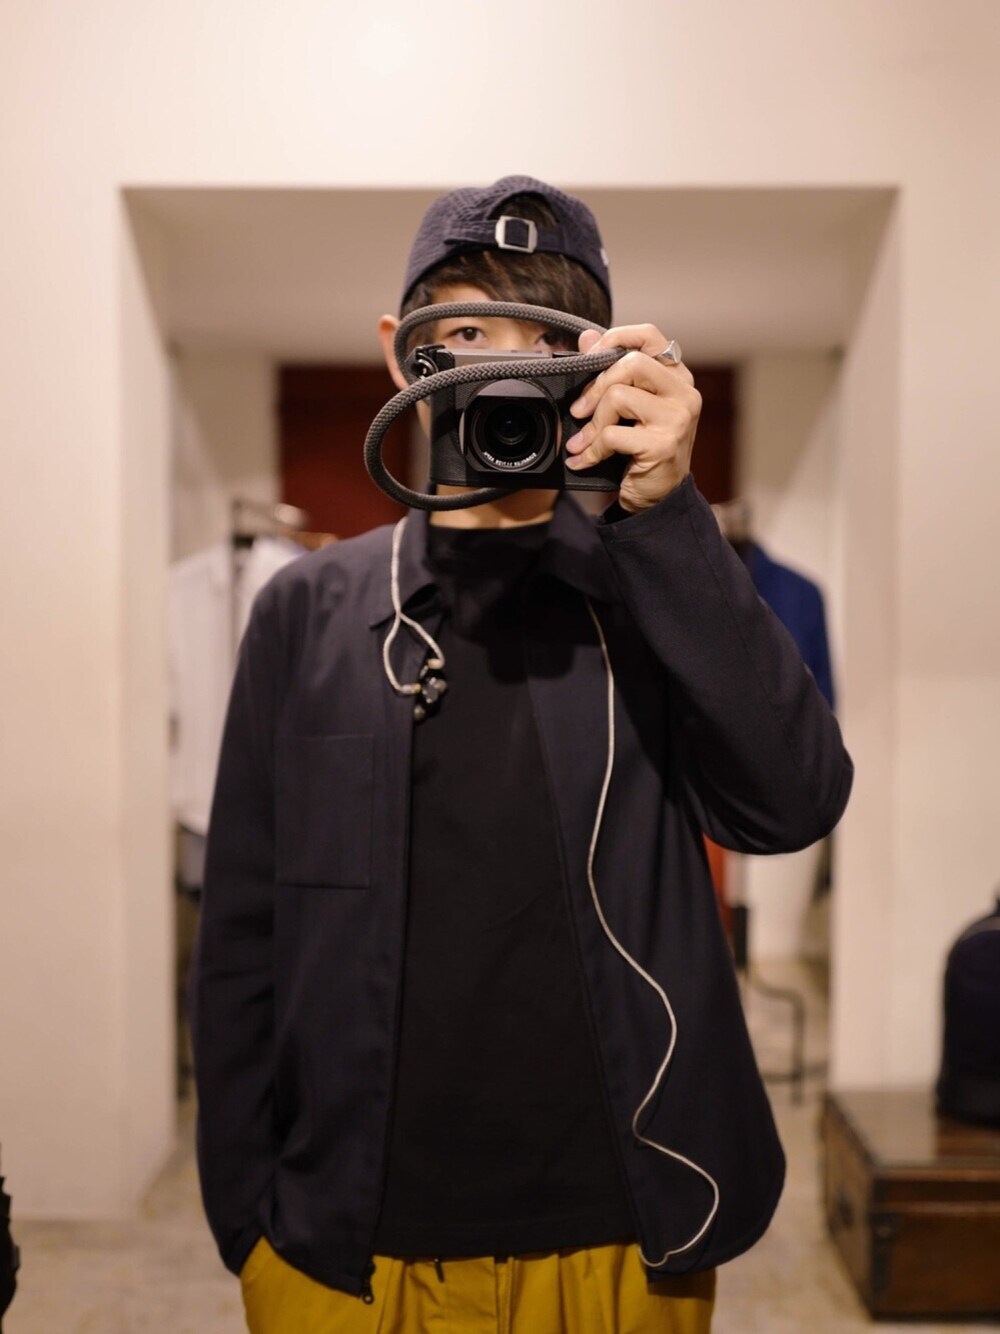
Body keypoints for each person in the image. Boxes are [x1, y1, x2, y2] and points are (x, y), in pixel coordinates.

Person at [189, 176, 853, 1333]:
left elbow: (793, 802)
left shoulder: (654, 586)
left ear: (601, 368)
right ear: (399, 353)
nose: (498, 378)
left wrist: (670, 518)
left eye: (544, 346)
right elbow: (243, 927)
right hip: (349, 1245)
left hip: (623, 1234)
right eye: (462, 335)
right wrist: (249, 1218)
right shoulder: (309, 609)